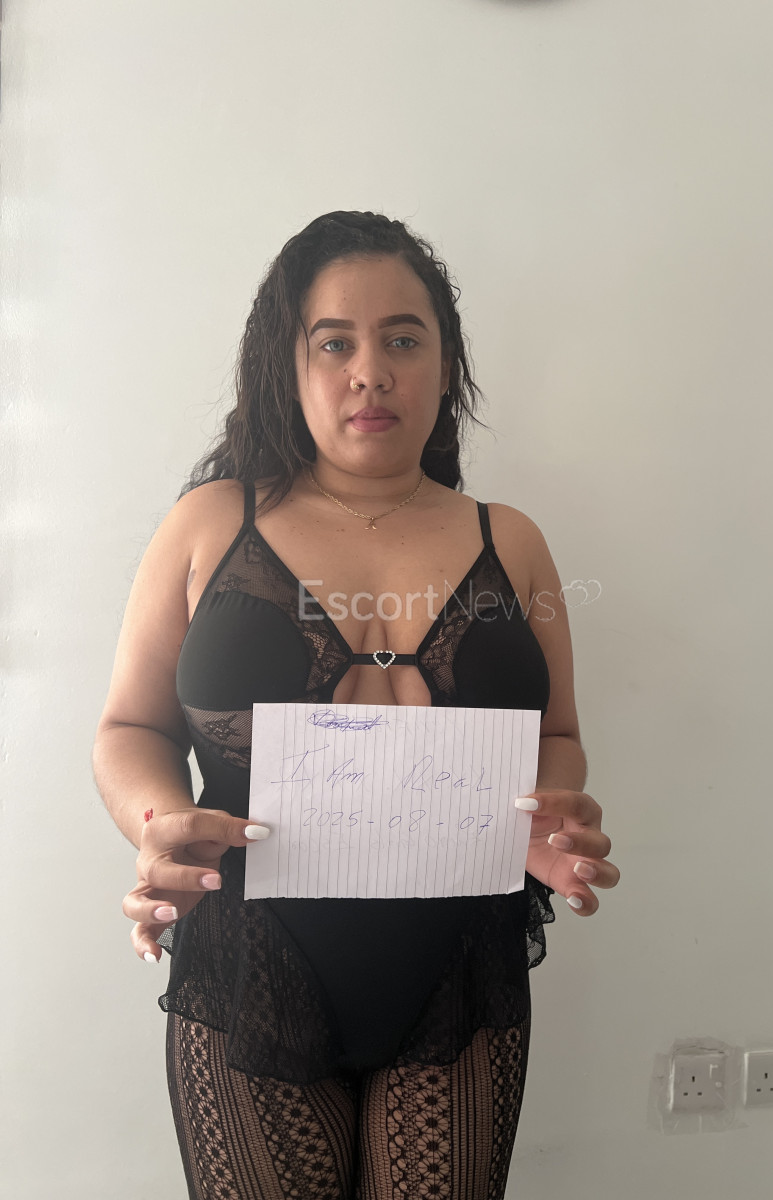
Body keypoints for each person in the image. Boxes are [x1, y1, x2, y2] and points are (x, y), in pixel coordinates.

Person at [93, 210, 619, 1200]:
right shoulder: (210, 525)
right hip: (252, 961)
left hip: (459, 967)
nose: (370, 372)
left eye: (403, 340)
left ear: (446, 365)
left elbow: (557, 736)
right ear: (287, 366)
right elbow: (130, 726)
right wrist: (159, 822)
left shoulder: (512, 542)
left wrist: (551, 817)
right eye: (334, 342)